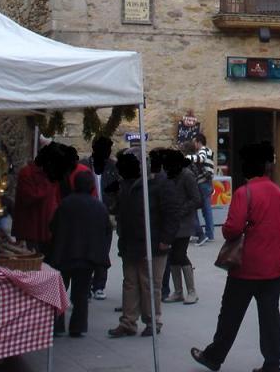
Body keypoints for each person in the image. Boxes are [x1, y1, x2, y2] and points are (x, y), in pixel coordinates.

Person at [192, 142, 280, 372]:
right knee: (270, 318)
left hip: (246, 267)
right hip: (273, 266)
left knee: (231, 315)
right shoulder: (278, 191)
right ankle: (272, 363)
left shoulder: (245, 193)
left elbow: (231, 229)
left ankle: (215, 355)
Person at [108, 150, 181, 338]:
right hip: (130, 242)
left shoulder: (161, 184)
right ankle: (128, 322)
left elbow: (172, 214)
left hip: (154, 243)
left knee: (150, 284)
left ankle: (152, 321)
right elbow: (120, 210)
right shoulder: (126, 184)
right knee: (130, 282)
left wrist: (166, 239)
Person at [48, 171, 111, 337]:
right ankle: (78, 326)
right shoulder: (99, 206)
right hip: (87, 256)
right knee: (81, 293)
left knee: (60, 291)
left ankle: (57, 325)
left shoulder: (65, 204)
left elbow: (53, 227)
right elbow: (106, 231)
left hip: (65, 254)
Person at [81, 136, 119, 300]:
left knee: (103, 251)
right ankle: (86, 284)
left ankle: (99, 285)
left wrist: (113, 210)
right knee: (86, 251)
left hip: (106, 214)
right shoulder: (84, 165)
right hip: (87, 214)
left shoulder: (113, 167)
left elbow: (118, 190)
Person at [164, 149, 201, 305]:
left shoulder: (187, 176)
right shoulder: (170, 175)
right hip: (171, 222)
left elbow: (196, 199)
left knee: (180, 254)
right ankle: (178, 291)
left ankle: (191, 291)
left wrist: (181, 210)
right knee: (172, 255)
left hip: (184, 223)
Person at [12, 143, 61, 253]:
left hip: (47, 228)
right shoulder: (27, 173)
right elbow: (30, 196)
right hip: (31, 230)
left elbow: (56, 198)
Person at [188, 134, 216, 246]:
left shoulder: (203, 150)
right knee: (206, 208)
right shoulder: (208, 150)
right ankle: (207, 234)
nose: (194, 144)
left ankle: (207, 234)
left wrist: (187, 158)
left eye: (195, 142)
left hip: (203, 183)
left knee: (205, 208)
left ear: (199, 142)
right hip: (206, 183)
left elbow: (200, 158)